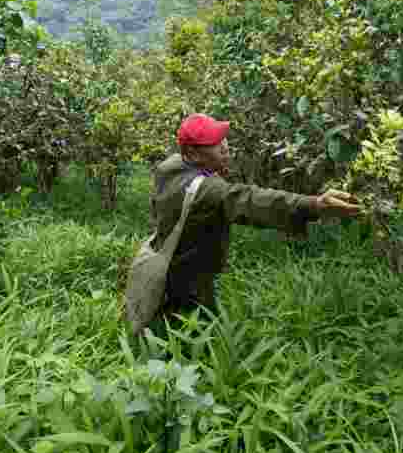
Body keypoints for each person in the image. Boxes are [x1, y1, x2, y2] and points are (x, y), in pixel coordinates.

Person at [148, 113, 363, 329]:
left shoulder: (170, 167)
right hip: (190, 274)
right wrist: (314, 205)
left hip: (169, 263)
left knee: (173, 320)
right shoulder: (206, 190)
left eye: (223, 138)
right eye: (214, 144)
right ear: (193, 154)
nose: (225, 146)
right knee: (194, 328)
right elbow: (250, 200)